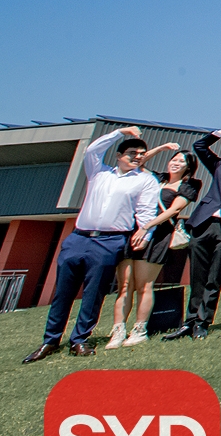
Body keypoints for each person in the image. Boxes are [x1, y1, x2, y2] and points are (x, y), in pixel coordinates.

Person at [24, 127, 164, 363]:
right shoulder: (99, 172)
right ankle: (50, 340)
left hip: (110, 241)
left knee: (93, 293)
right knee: (63, 292)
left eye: (142, 154)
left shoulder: (146, 181)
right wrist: (119, 133)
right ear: (119, 155)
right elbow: (92, 150)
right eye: (132, 153)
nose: (138, 157)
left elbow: (146, 211)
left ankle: (80, 339)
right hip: (78, 238)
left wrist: (145, 234)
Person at [164, 125, 221, 340]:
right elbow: (200, 146)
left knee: (215, 276)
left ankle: (202, 323)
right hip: (204, 223)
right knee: (197, 276)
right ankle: (189, 322)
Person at [106, 145, 195, 348]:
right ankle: (118, 331)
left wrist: (146, 227)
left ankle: (139, 330)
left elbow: (173, 210)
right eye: (174, 159)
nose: (176, 163)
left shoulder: (188, 186)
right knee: (125, 286)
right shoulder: (156, 178)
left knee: (144, 285)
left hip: (157, 236)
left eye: (181, 161)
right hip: (133, 233)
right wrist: (162, 148)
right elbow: (139, 162)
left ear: (188, 167)